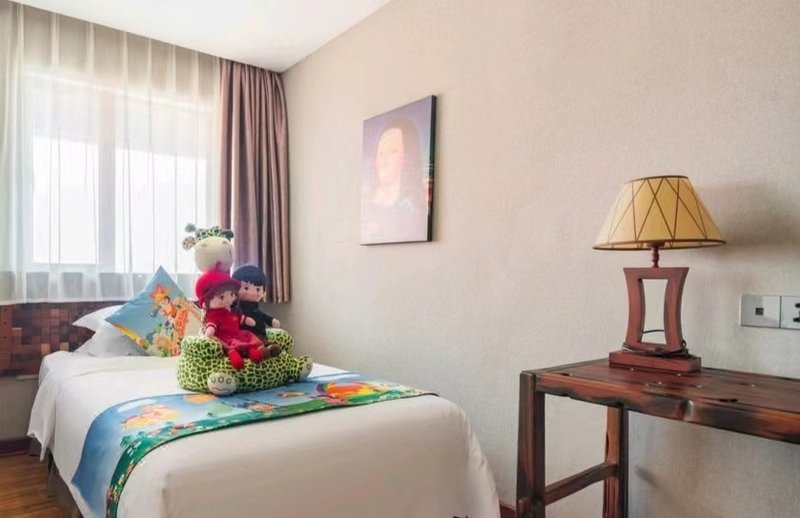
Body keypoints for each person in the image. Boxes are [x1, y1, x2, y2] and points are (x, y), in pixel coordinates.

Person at [361, 118, 431, 244]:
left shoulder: (417, 207)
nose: (384, 161)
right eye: (381, 154)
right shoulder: (366, 204)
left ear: (408, 156)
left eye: (392, 152)